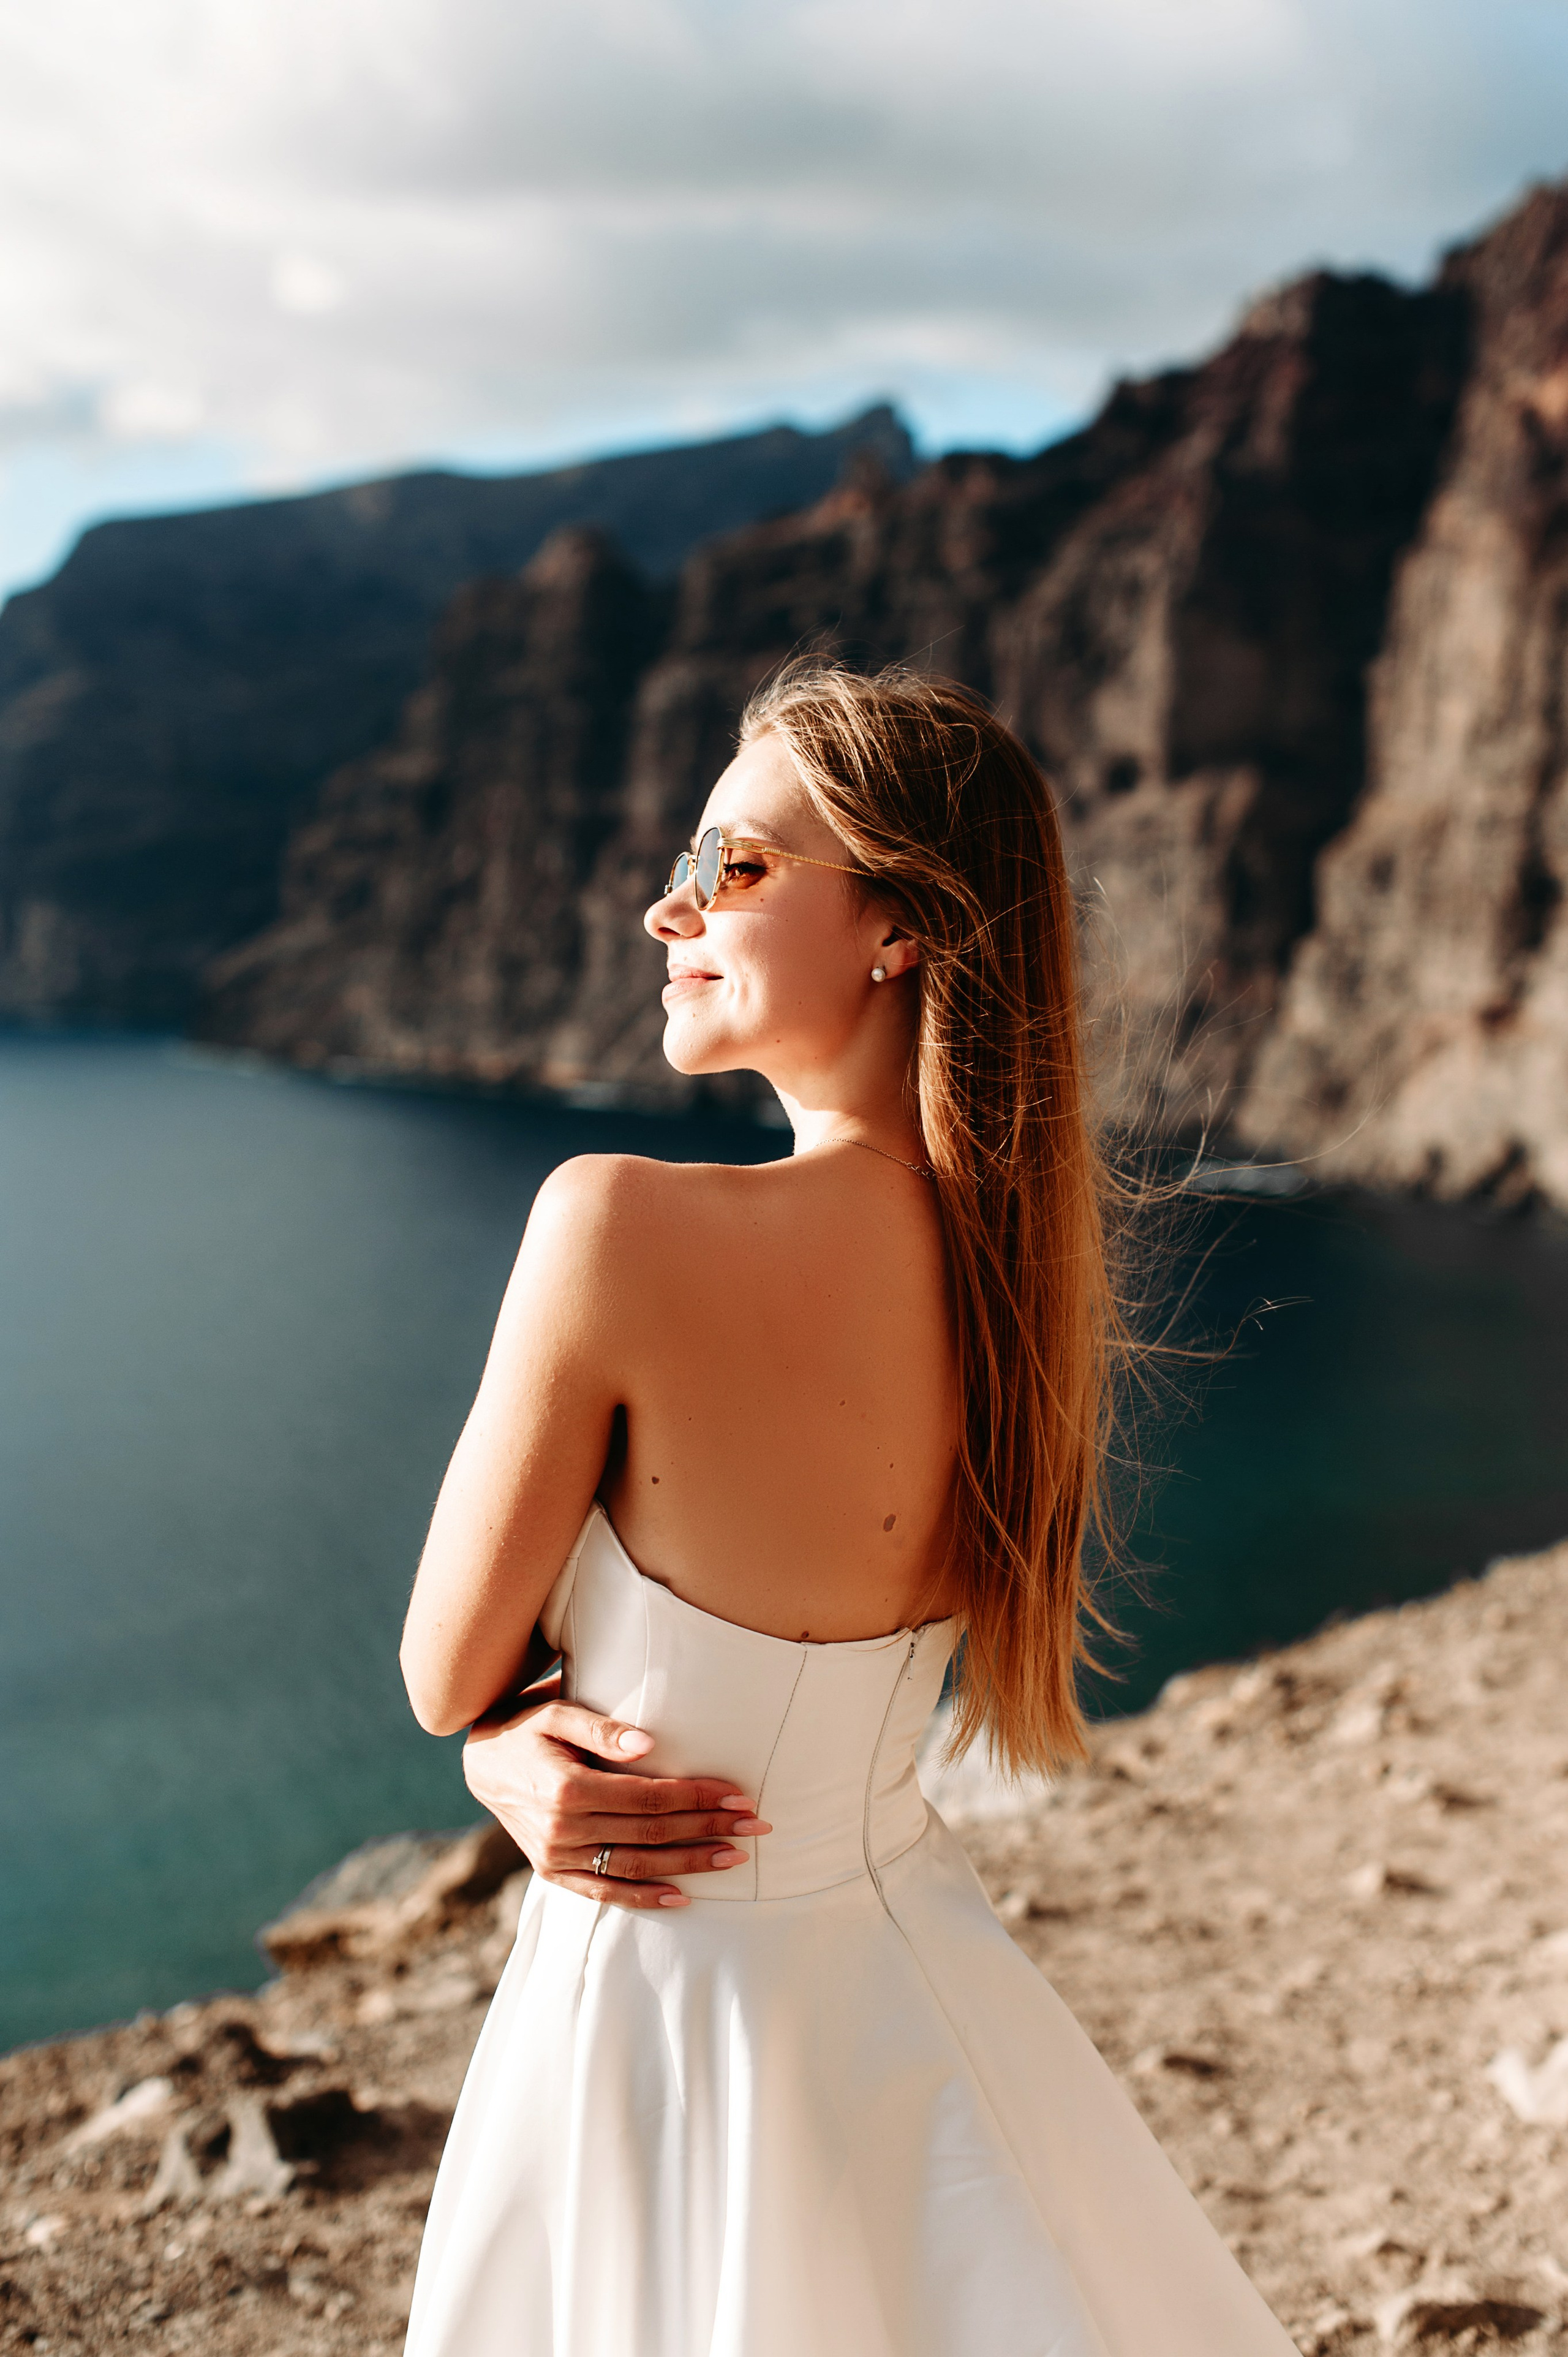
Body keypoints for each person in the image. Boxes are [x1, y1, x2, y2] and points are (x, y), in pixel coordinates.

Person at [397, 661, 1296, 2356]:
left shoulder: (614, 1226)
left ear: (897, 923)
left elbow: (446, 1673)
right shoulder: (1025, 1292)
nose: (670, 909)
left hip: (660, 2015)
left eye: (732, 864)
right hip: (912, 1990)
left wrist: (501, 1742)